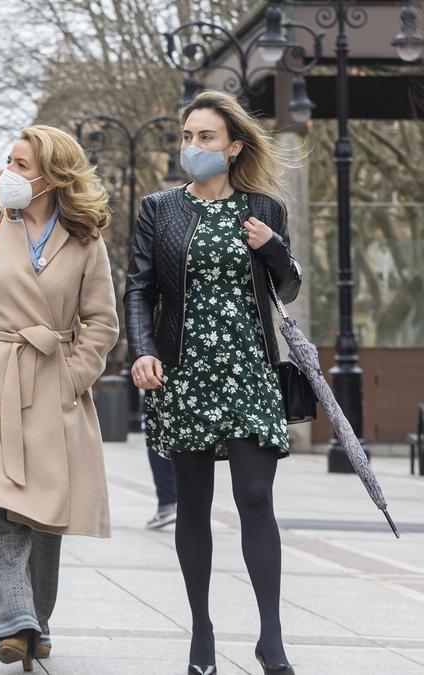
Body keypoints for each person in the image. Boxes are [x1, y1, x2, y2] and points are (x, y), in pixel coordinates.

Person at [126, 90, 301, 675]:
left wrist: (272, 248)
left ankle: (270, 639)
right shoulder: (160, 209)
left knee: (256, 497)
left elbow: (290, 285)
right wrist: (144, 350)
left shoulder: (265, 209)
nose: (192, 147)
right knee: (194, 506)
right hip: (186, 371)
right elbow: (140, 289)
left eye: (205, 137)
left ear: (233, 148)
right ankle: (202, 633)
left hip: (249, 370)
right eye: (186, 135)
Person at [0, 125, 117, 671]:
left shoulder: (85, 239)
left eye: (21, 165)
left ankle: (36, 624)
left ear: (52, 176)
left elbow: (101, 322)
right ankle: (15, 620)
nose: (9, 174)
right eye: (9, 161)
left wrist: (73, 376)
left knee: (46, 512)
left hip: (55, 385)